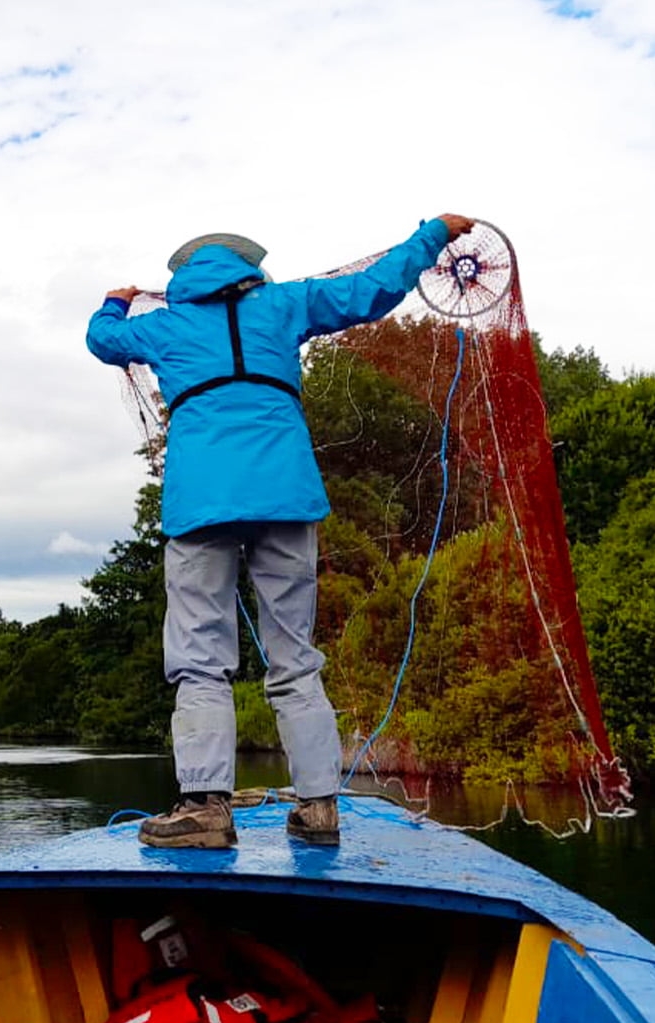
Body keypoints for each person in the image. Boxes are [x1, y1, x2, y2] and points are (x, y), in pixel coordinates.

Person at [85, 214, 475, 848]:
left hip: (200, 504)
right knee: (295, 655)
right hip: (286, 496)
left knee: (200, 660)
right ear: (249, 271)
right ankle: (319, 808)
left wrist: (115, 299)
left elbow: (102, 340)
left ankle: (206, 808)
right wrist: (434, 235)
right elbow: (375, 287)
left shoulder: (166, 326)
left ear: (183, 279)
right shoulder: (285, 303)